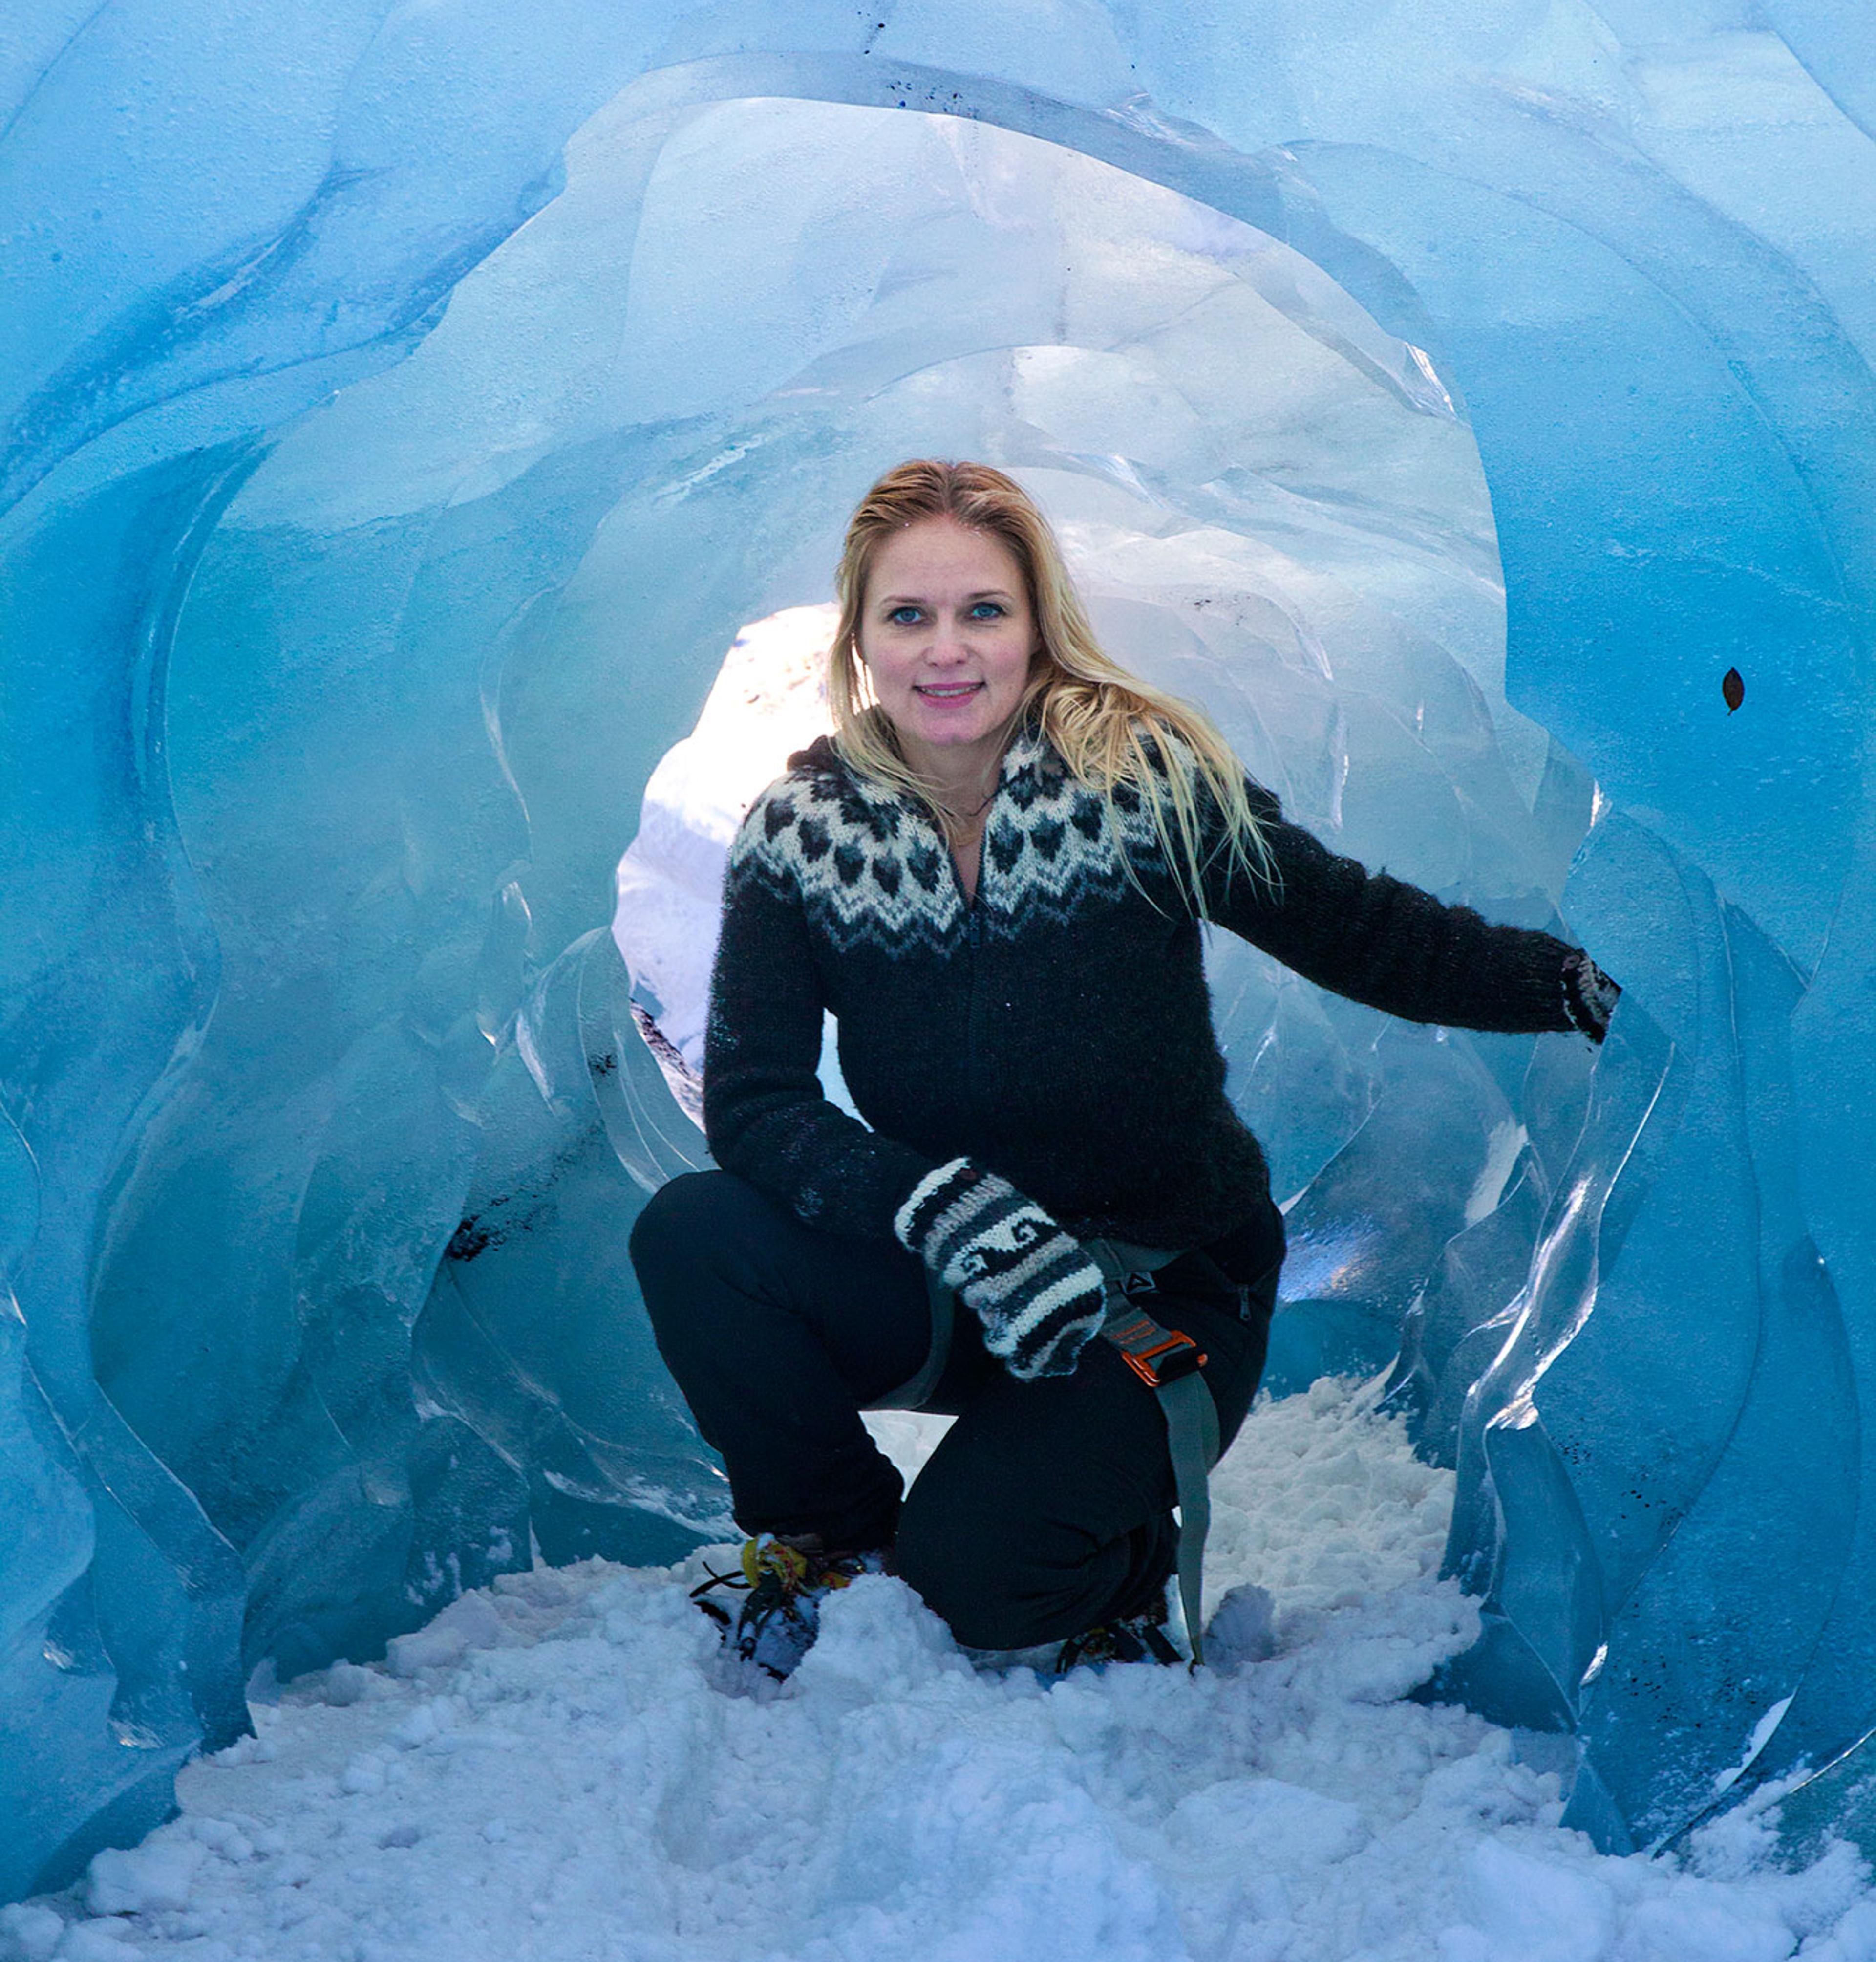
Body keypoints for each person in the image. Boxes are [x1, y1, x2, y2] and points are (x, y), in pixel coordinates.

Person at [630, 460, 1617, 1683]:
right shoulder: (807, 831)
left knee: (987, 1588)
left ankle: (1109, 1549)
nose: (948, 650)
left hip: (1158, 1291)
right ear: (861, 637)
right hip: (960, 1281)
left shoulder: (1141, 780)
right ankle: (840, 1545)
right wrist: (947, 1214)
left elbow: (1361, 929)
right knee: (696, 1232)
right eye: (910, 614)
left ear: (1038, 623)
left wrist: (1575, 988)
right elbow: (755, 1105)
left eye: (983, 610)